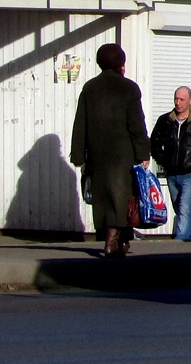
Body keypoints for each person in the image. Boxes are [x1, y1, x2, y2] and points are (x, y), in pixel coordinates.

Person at [69, 43, 151, 258]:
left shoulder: (90, 88)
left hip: (97, 154)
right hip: (122, 153)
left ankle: (121, 241)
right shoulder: (129, 88)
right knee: (122, 197)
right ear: (121, 64)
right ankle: (111, 242)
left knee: (103, 198)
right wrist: (143, 152)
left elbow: (81, 123)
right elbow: (136, 124)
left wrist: (78, 154)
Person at [149, 85, 191, 241]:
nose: (178, 103)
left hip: (189, 174)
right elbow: (154, 142)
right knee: (179, 208)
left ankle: (180, 240)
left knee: (185, 209)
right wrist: (162, 159)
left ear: (190, 101)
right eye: (176, 99)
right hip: (171, 173)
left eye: (182, 99)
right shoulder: (165, 121)